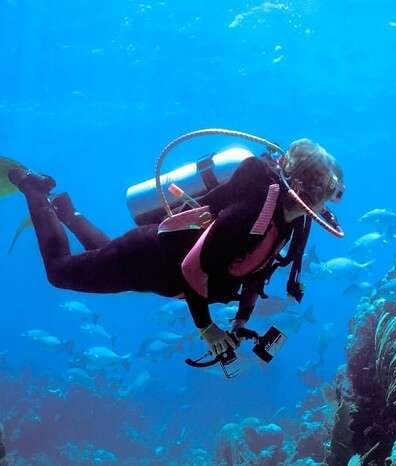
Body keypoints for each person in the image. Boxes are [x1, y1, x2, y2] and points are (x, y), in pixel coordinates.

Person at [7, 139, 344, 357]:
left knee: (108, 260)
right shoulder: (252, 210)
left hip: (156, 271)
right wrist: (206, 327)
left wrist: (241, 320)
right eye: (320, 194)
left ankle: (69, 214)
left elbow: (260, 269)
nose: (321, 204)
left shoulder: (292, 218)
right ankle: (34, 190)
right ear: (298, 186)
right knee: (59, 272)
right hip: (146, 255)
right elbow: (192, 267)